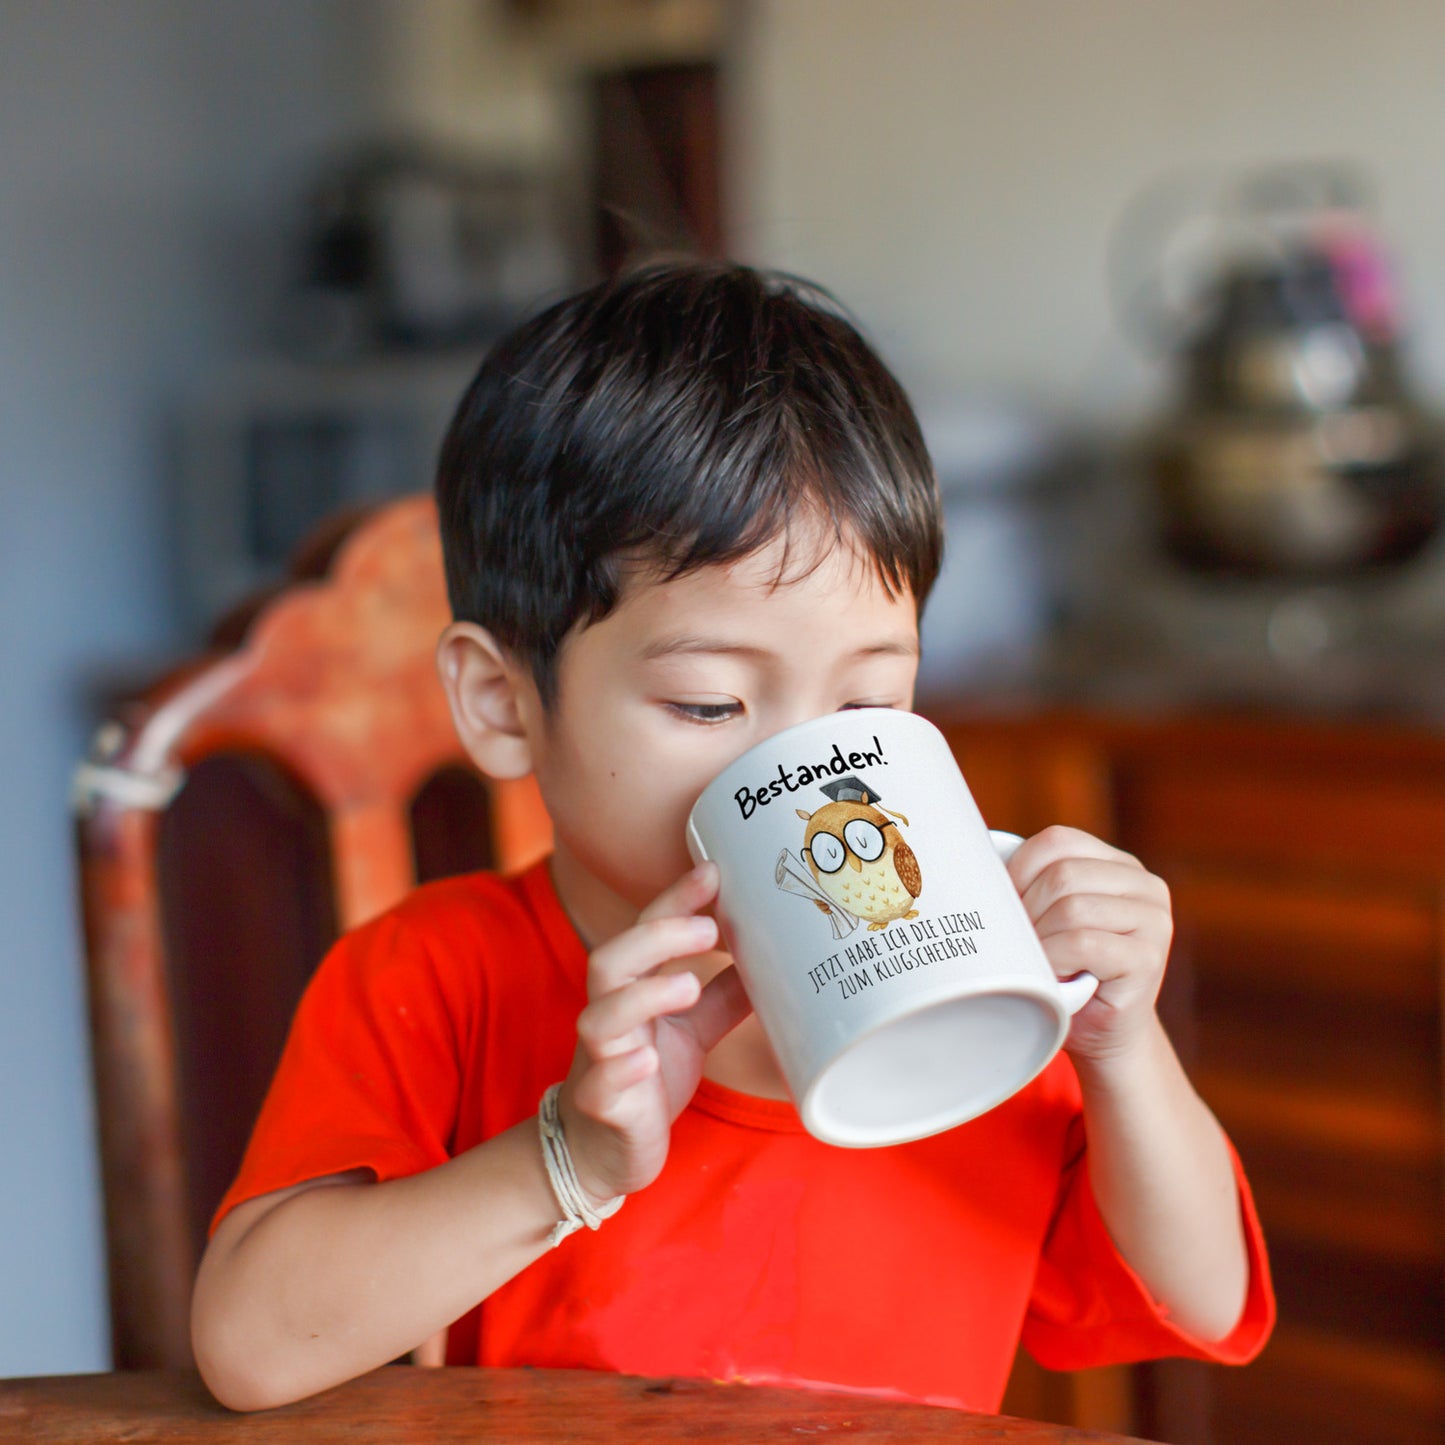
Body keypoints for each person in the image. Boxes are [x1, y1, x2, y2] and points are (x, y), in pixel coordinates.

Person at [191, 261, 1273, 1414]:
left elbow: (1202, 1303)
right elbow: (254, 1347)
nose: (806, 782)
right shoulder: (435, 975)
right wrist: (570, 1156)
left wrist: (1120, 1047)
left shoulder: (975, 986)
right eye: (710, 704)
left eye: (866, 710)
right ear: (504, 703)